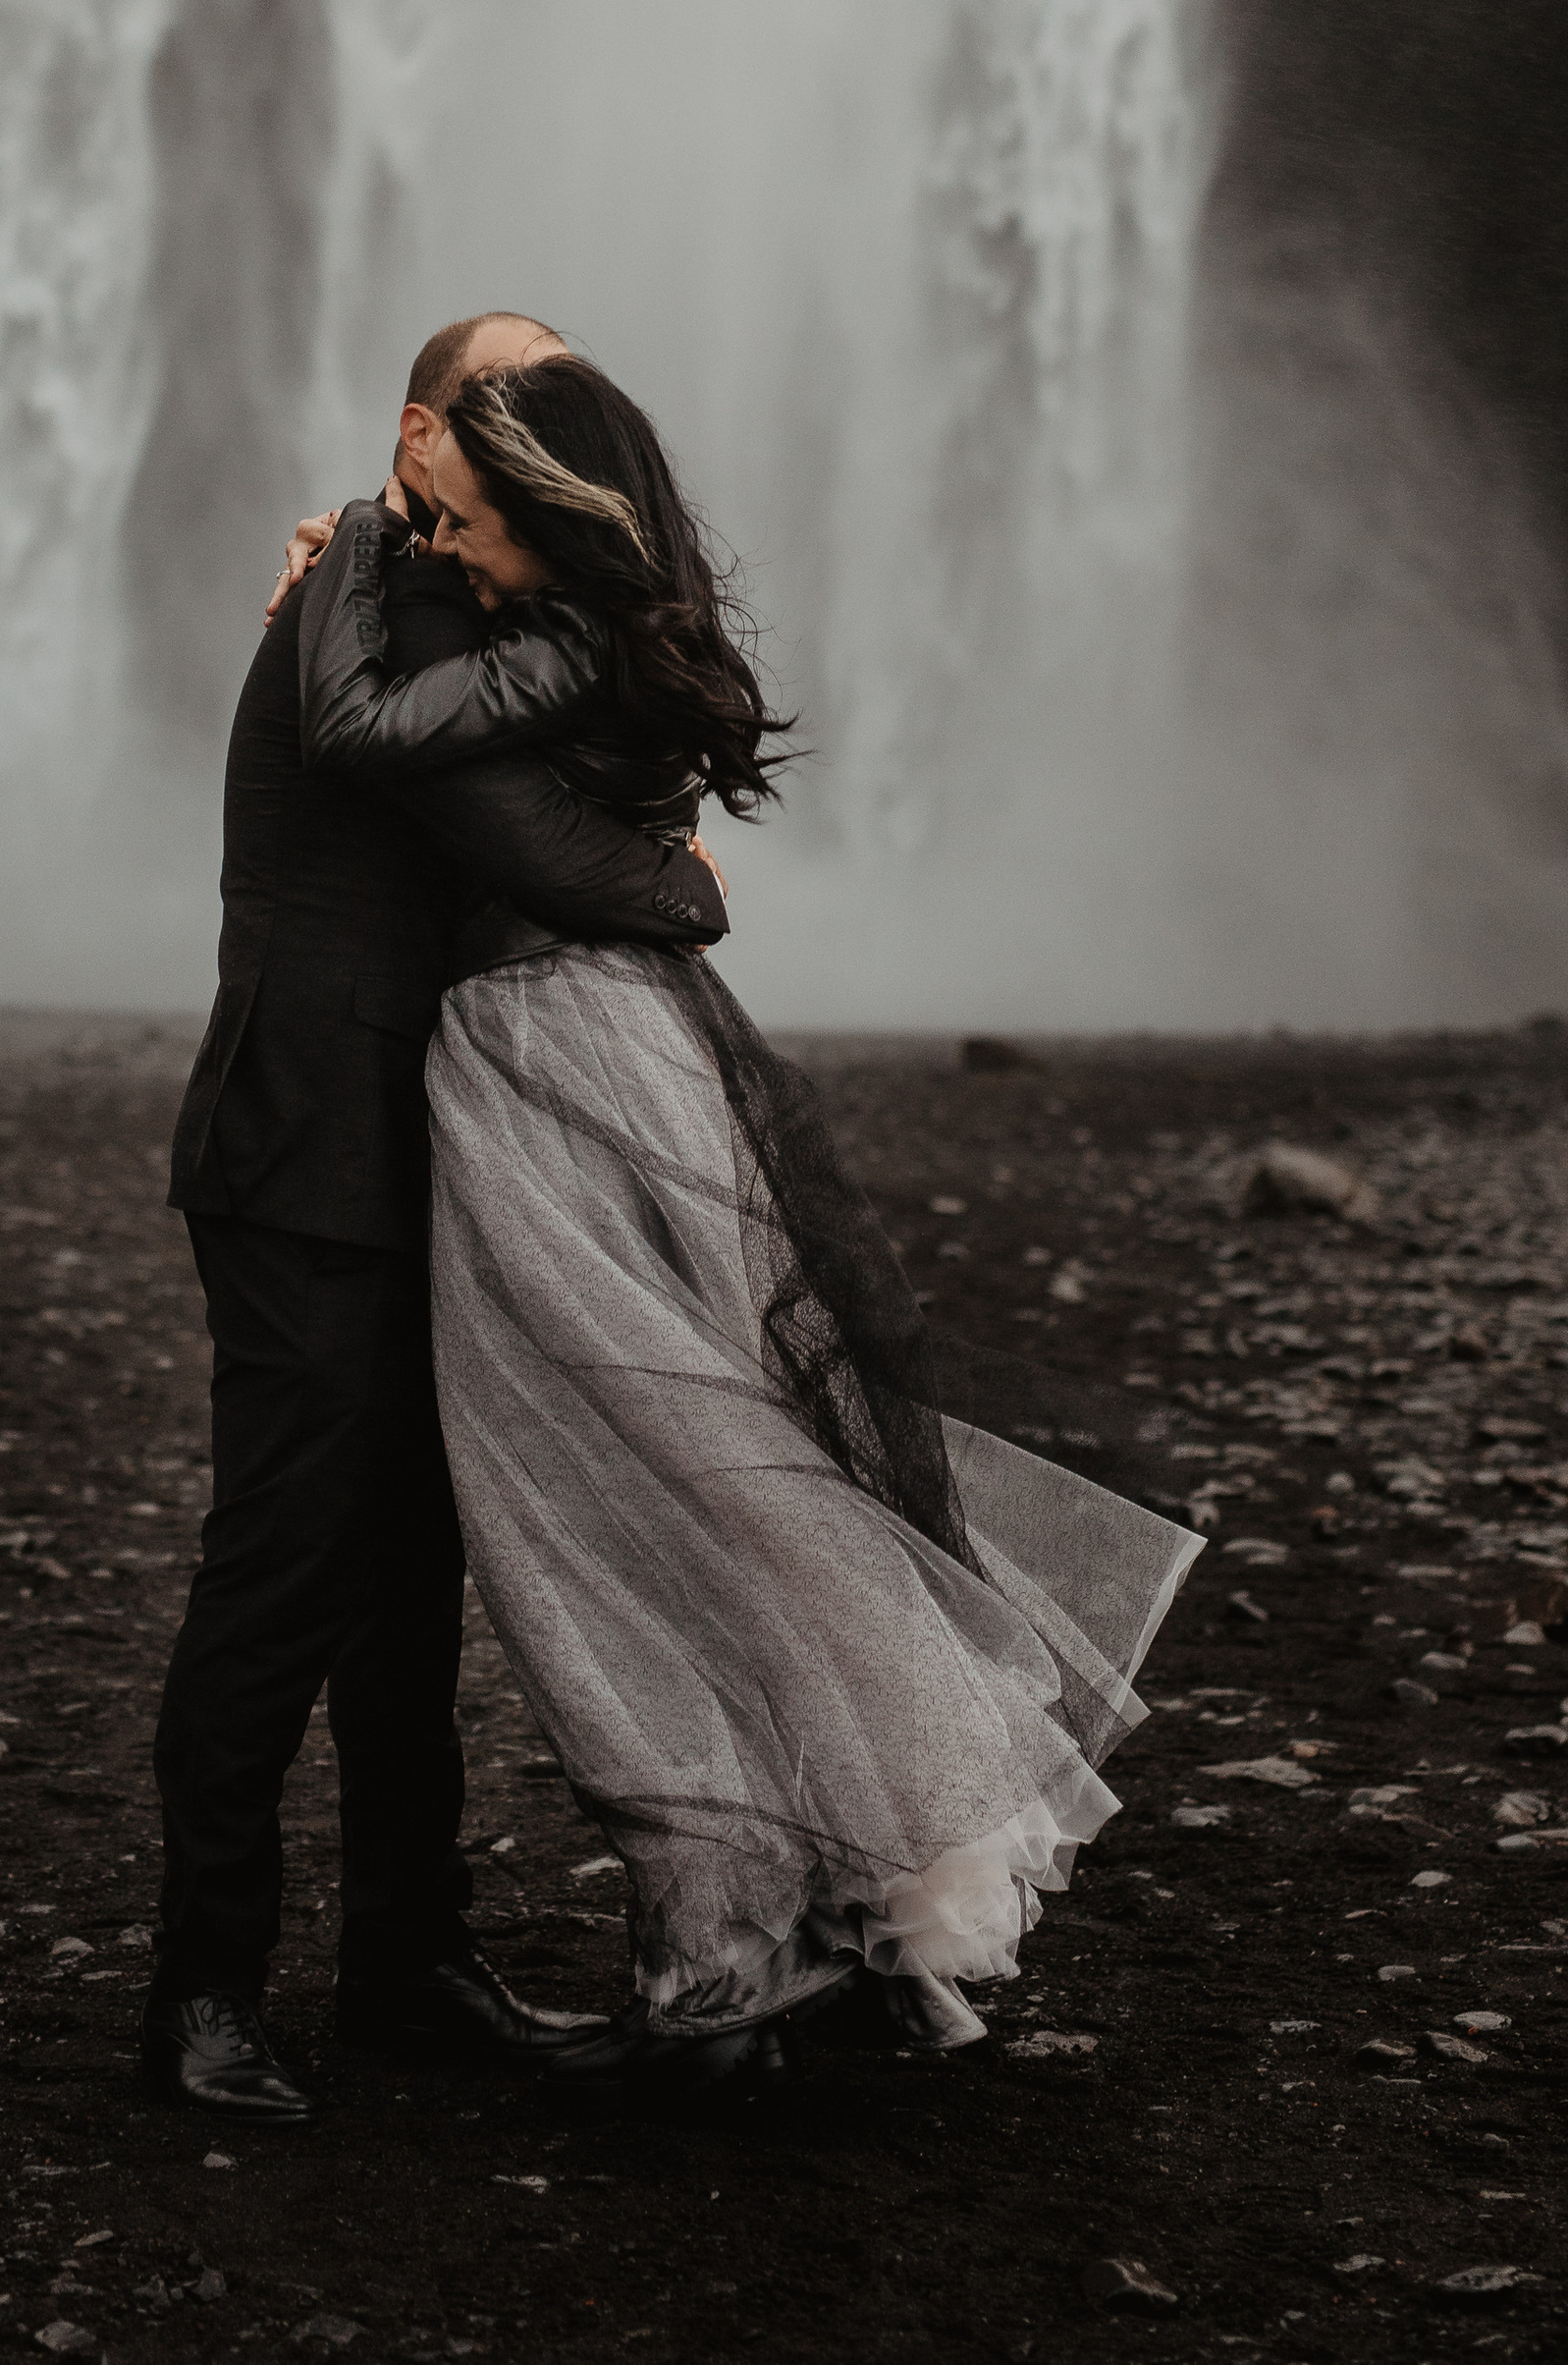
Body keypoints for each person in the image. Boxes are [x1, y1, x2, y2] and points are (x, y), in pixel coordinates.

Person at [292, 353, 1202, 2098]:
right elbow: (603, 852)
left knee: (629, 1486)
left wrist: (348, 547)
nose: (450, 548)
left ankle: (754, 1937)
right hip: (624, 1050)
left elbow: (403, 764)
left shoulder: (544, 643)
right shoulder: (609, 629)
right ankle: (854, 1899)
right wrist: (674, 884)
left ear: (553, 510)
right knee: (717, 1455)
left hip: (550, 1060)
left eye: (472, 524)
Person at [142, 314, 730, 2124]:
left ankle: (406, 1963)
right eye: (491, 402)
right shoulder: (386, 606)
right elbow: (546, 853)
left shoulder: (439, 601)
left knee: (406, 1584)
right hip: (309, 1149)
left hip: (405, 1152)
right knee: (282, 1574)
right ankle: (201, 1993)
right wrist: (687, 885)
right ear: (425, 436)